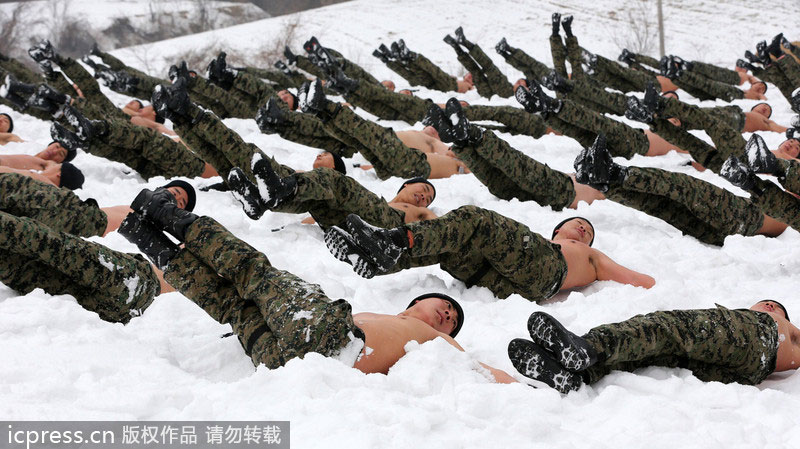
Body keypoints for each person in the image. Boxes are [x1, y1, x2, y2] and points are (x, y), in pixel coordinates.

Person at [117, 190, 516, 382]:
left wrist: (523, 388)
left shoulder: (438, 343)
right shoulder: (393, 322)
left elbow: (479, 373)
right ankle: (147, 239)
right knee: (233, 307)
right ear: (416, 302)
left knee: (253, 271)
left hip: (327, 335)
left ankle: (164, 212)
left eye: (451, 320)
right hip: (289, 362)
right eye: (445, 307)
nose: (447, 316)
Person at [324, 206, 654, 302]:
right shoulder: (537, 242)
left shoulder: (588, 254)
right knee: (454, 244)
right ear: (558, 230)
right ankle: (372, 259)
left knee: (477, 219)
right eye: (579, 223)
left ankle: (392, 241)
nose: (584, 229)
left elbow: (639, 280)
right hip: (505, 285)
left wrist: (654, 286)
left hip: (547, 273)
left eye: (588, 231)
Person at [507, 300, 797, 393]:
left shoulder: (759, 324)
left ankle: (588, 347)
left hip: (756, 352)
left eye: (775, 308)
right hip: (748, 372)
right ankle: (579, 376)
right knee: (655, 354)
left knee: (666, 327)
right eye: (766, 304)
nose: (771, 305)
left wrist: (767, 318)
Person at [573, 134, 788, 246]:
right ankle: (605, 184)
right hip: (728, 231)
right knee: (664, 205)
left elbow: (783, 213)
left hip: (749, 217)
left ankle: (613, 173)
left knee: (685, 187)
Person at [424, 99, 604, 210]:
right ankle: (460, 140)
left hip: (561, 190)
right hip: (532, 194)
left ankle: (471, 133)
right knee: (493, 175)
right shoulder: (600, 184)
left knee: (516, 163)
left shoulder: (607, 187)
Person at [299, 79, 469, 180]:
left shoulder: (465, 161)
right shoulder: (437, 141)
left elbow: (467, 164)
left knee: (370, 134)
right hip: (401, 167)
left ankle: (325, 107)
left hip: (414, 166)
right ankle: (320, 113)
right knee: (360, 140)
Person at [50, 104, 217, 180]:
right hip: (178, 174)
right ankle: (84, 143)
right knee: (129, 155)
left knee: (147, 140)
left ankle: (97, 128)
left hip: (196, 168)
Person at [374, 40, 473, 93]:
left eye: (472, 77)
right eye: (469, 74)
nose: (470, 75)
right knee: (415, 74)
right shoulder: (461, 81)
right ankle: (392, 60)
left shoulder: (472, 88)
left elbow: (475, 91)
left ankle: (410, 56)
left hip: (451, 87)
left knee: (434, 70)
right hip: (433, 86)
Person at [444, 26, 513, 99]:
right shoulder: (469, 84)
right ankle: (459, 44)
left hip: (497, 94)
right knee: (484, 68)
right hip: (494, 94)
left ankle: (459, 44)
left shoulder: (468, 85)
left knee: (482, 69)